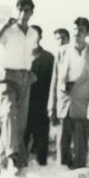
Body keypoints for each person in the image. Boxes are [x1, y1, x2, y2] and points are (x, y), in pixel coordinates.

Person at [0, 0, 37, 175]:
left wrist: (30, 69)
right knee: (9, 114)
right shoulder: (7, 30)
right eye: (20, 9)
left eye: (27, 10)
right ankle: (13, 158)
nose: (23, 13)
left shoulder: (33, 33)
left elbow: (31, 53)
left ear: (31, 13)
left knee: (17, 123)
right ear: (16, 10)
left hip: (24, 78)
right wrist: (5, 26)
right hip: (6, 77)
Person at [48, 17, 89, 169]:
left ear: (87, 33)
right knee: (62, 145)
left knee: (81, 147)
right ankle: (62, 176)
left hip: (83, 104)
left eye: (81, 30)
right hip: (64, 103)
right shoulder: (62, 51)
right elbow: (55, 80)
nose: (77, 33)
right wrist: (52, 106)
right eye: (75, 29)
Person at [24, 26, 55, 166]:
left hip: (42, 105)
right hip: (23, 105)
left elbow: (53, 83)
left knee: (42, 143)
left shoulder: (49, 58)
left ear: (41, 37)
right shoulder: (20, 56)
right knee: (22, 140)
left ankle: (42, 168)